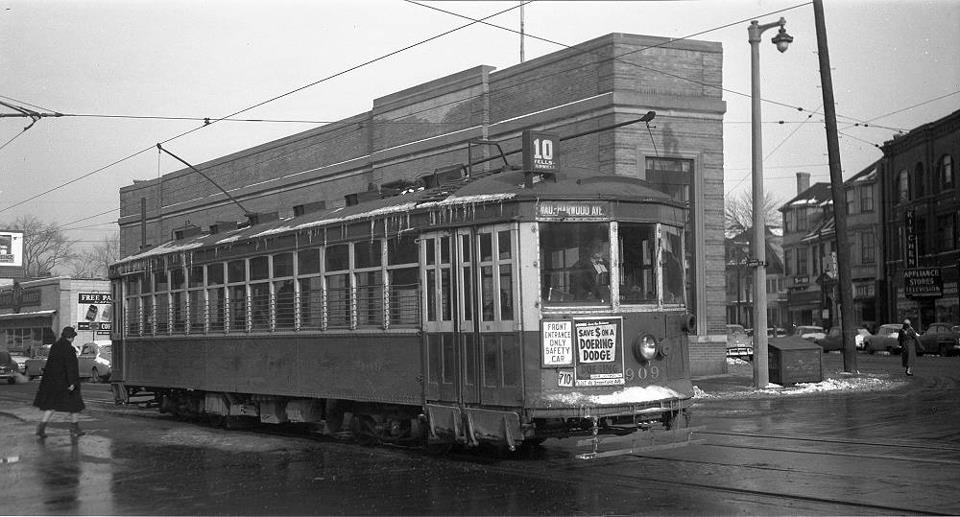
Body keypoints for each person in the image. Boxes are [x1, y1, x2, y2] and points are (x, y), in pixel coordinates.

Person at [33, 326, 86, 438]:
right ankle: (74, 429)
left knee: (52, 405)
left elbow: (51, 365)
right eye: (73, 337)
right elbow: (70, 367)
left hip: (53, 382)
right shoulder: (69, 349)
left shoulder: (55, 347)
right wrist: (72, 383)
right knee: (75, 405)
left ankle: (41, 427)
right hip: (66, 383)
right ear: (71, 337)